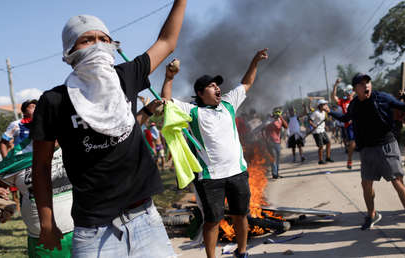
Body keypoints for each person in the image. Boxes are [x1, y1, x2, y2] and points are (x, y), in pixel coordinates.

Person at [30, 2, 186, 257]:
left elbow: (167, 41)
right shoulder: (53, 101)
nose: (98, 45)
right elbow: (41, 167)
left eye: (104, 39)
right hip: (94, 232)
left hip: (145, 219)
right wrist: (48, 223)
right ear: (69, 52)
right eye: (87, 40)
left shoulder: (126, 77)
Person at [161, 49, 268, 258]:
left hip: (237, 172)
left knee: (241, 215)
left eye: (217, 85)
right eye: (212, 86)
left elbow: (246, 83)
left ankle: (242, 252)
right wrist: (169, 77)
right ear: (200, 93)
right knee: (212, 221)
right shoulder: (191, 111)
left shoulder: (229, 104)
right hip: (209, 178)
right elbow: (166, 101)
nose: (217, 88)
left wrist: (254, 61)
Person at [328, 73, 405, 240]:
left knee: (397, 182)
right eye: (361, 84)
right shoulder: (354, 104)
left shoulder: (382, 97)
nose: (366, 86)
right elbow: (345, 118)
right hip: (367, 149)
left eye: (367, 82)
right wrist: (330, 112)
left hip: (386, 144)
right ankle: (372, 214)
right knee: (366, 184)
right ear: (355, 89)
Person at [332, 78, 356, 169]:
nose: (349, 93)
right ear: (345, 93)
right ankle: (349, 160)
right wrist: (335, 85)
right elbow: (333, 97)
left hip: (359, 123)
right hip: (349, 125)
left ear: (354, 92)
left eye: (351, 91)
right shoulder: (343, 102)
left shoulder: (358, 100)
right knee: (352, 143)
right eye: (347, 92)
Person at [265, 107, 288, 178]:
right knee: (273, 158)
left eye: (278, 113)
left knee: (277, 159)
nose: (277, 115)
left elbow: (286, 126)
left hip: (277, 142)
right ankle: (274, 174)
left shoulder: (280, 121)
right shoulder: (269, 120)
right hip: (270, 143)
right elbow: (263, 128)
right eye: (276, 113)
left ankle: (276, 173)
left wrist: (281, 117)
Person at [309, 99, 333, 165]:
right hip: (317, 131)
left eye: (325, 104)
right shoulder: (316, 112)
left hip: (322, 130)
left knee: (328, 143)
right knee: (321, 146)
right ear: (320, 106)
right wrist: (313, 125)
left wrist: (325, 126)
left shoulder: (324, 112)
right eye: (324, 105)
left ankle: (328, 157)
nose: (325, 106)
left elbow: (323, 120)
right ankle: (320, 160)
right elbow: (310, 120)